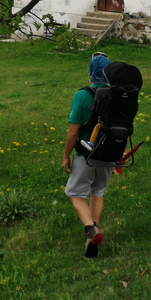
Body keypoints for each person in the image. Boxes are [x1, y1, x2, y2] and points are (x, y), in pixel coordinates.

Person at [62, 52, 116, 258]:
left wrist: (66, 156)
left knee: (75, 193)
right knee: (98, 191)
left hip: (87, 153)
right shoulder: (116, 94)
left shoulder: (82, 95)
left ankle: (90, 229)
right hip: (110, 153)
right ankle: (94, 234)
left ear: (91, 74)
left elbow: (73, 131)